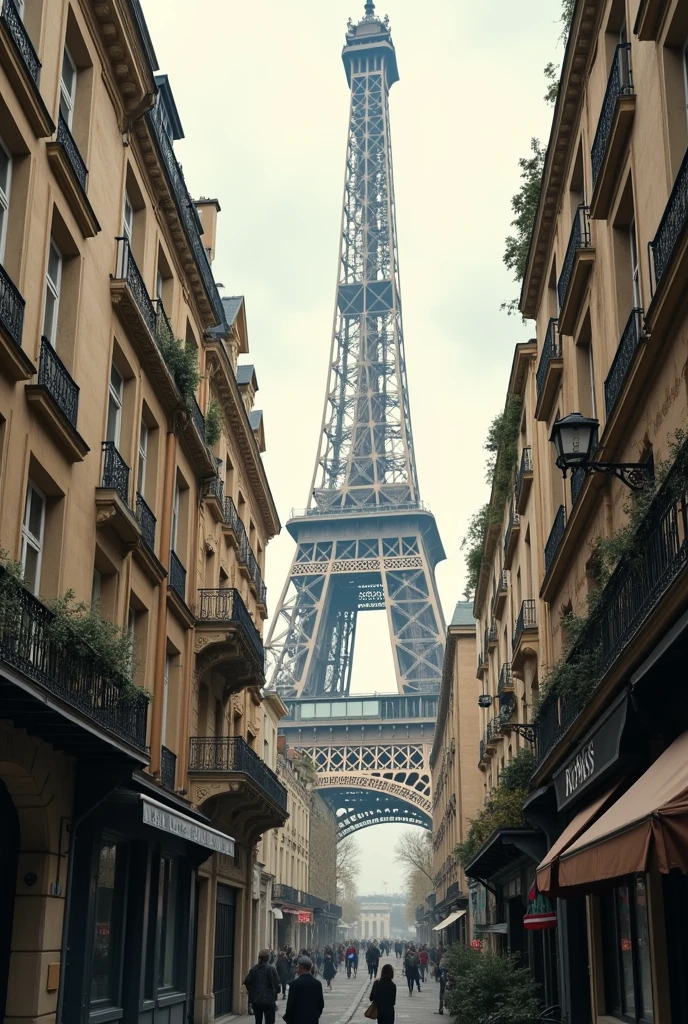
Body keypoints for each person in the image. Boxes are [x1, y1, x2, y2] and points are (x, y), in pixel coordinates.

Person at [283, 956, 324, 1024]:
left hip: (297, 1019)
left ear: (302, 967)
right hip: (312, 1019)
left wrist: (288, 1019)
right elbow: (320, 1004)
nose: (296, 969)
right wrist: (316, 1015)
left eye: (297, 967)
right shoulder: (317, 984)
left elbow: (290, 1004)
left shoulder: (294, 984)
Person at [244, 949, 280, 1024]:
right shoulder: (271, 969)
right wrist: (275, 993)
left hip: (256, 1000)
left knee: (258, 1020)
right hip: (269, 1000)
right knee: (270, 1021)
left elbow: (247, 982)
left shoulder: (254, 969)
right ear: (268, 958)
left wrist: (252, 991)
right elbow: (277, 984)